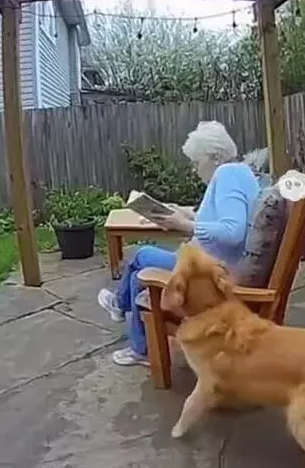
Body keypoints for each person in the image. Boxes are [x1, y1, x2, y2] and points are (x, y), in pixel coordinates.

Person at [98, 121, 260, 368]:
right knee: (141, 272)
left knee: (142, 256)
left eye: (196, 162)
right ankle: (139, 346)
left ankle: (120, 307)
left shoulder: (227, 175)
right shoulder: (241, 173)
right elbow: (221, 217)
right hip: (213, 264)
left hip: (212, 272)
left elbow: (232, 231)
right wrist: (182, 212)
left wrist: (184, 225)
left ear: (214, 157)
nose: (195, 169)